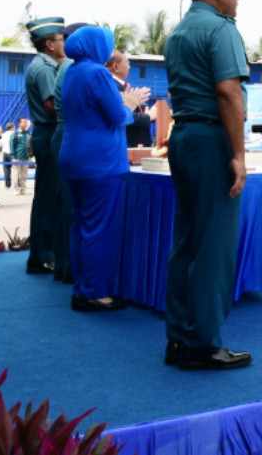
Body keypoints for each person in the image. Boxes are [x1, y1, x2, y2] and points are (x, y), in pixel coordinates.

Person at [163, 0, 252, 371]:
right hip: (212, 141)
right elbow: (229, 92)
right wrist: (238, 155)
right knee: (214, 245)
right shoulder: (222, 30)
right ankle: (204, 343)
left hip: (183, 137)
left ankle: (180, 338)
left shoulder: (178, 32)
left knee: (187, 241)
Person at [59, 26, 151, 312]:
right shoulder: (97, 73)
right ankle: (94, 292)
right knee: (99, 229)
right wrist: (130, 103)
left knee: (82, 226)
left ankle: (82, 286)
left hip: (75, 157)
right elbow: (116, 116)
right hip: (99, 162)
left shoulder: (72, 71)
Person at [24, 16, 67, 275]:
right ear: (50, 44)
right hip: (48, 133)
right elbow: (52, 106)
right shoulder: (44, 69)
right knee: (48, 198)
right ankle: (43, 255)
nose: (64, 44)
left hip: (46, 134)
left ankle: (43, 253)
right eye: (61, 39)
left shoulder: (45, 65)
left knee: (48, 196)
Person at [51, 22, 89, 284]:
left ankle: (65, 265)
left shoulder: (68, 66)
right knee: (70, 207)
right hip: (71, 132)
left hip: (66, 132)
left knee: (67, 205)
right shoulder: (73, 68)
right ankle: (67, 267)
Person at [106, 48, 156, 148]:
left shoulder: (119, 86)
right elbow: (121, 114)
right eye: (127, 63)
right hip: (129, 143)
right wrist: (148, 116)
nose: (129, 67)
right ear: (116, 67)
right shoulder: (114, 87)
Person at [10, 117, 32, 195]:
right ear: (19, 123)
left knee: (24, 174)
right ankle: (15, 189)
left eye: (26, 122)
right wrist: (13, 157)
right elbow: (12, 145)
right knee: (16, 174)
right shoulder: (15, 133)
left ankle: (23, 189)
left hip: (25, 157)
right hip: (17, 157)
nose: (25, 123)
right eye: (23, 122)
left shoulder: (27, 133)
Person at [0, 122, 14, 189]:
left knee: (6, 169)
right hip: (13, 153)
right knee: (16, 169)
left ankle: (7, 184)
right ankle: (17, 184)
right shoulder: (14, 134)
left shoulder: (3, 135)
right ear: (12, 127)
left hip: (5, 153)